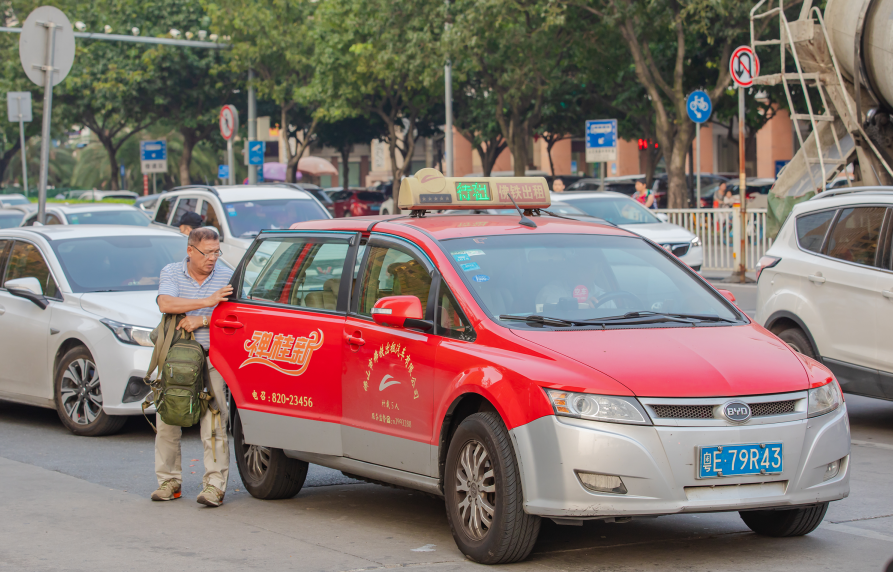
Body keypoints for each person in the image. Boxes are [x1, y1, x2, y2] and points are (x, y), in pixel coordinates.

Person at [151, 227, 234, 507]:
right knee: (168, 419)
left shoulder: (226, 276)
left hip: (212, 358)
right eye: (207, 252)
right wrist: (207, 302)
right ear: (190, 251)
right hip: (176, 359)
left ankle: (214, 485)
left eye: (216, 251)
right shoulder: (173, 272)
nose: (212, 258)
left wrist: (204, 320)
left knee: (214, 422)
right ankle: (169, 481)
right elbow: (166, 303)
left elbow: (236, 313)